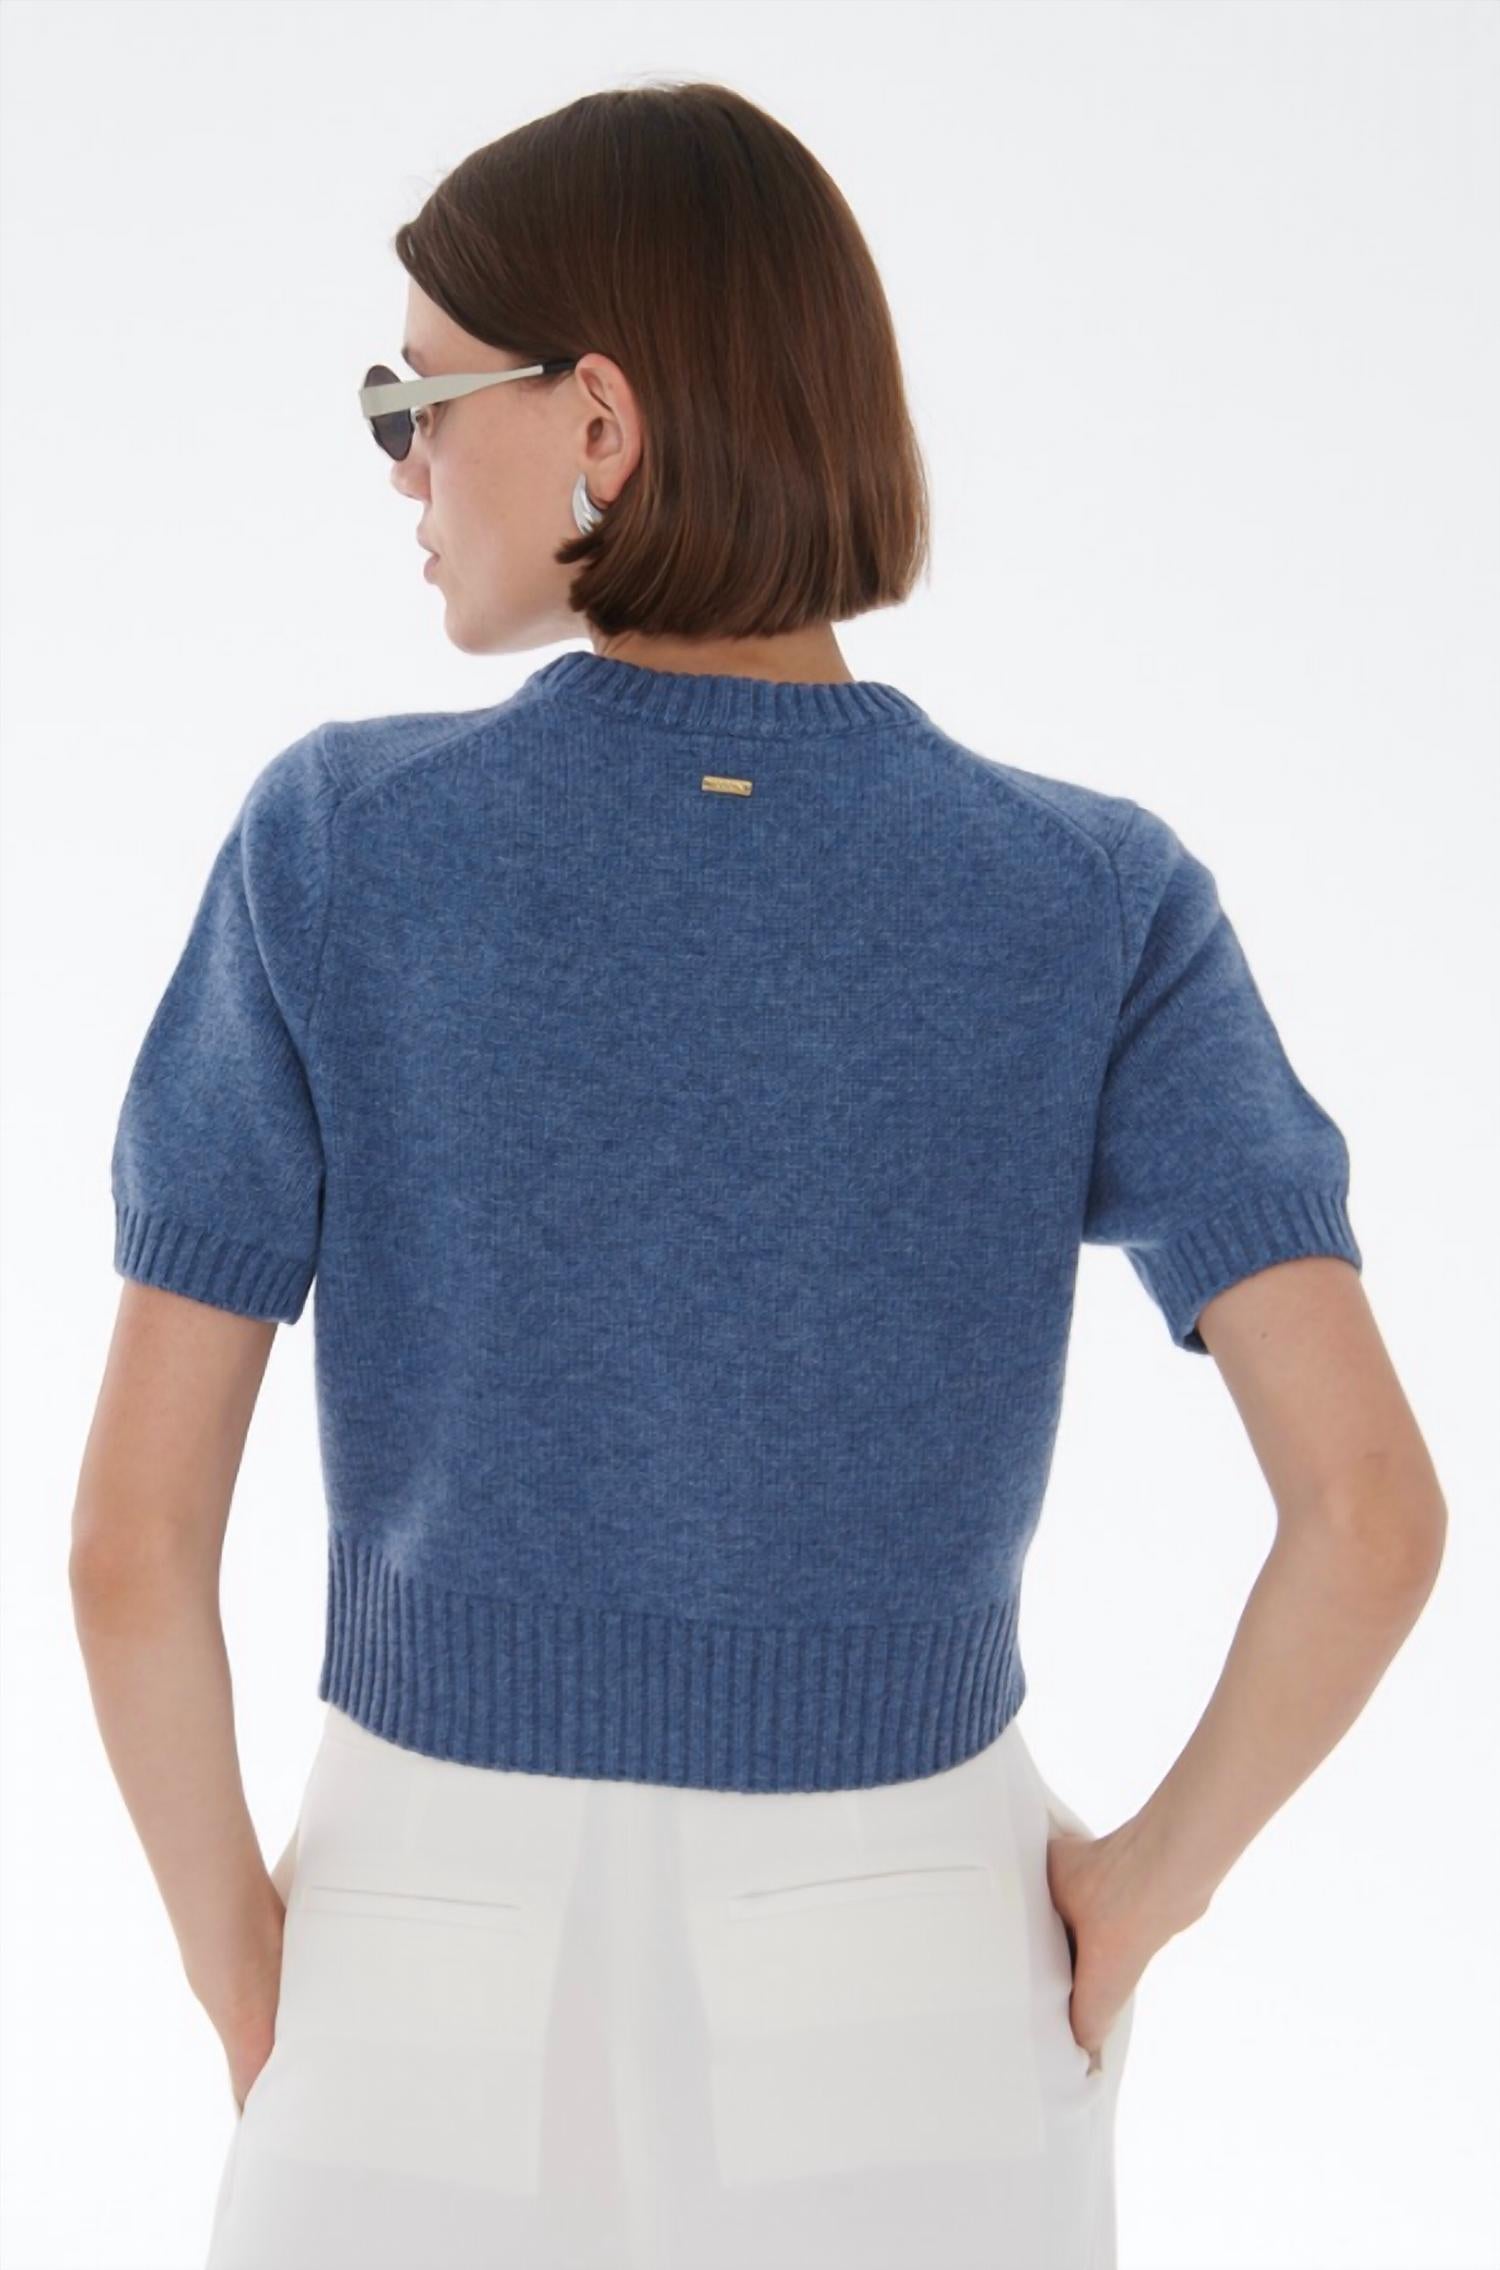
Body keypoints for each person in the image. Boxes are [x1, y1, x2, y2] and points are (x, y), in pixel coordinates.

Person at [69, 79, 1445, 2270]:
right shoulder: (1089, 897)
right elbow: (1369, 1517)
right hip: (917, 1972)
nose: (402, 466)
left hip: (425, 1954)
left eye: (417, 400)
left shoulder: (338, 847)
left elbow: (131, 1550)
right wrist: (1138, 1896)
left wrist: (250, 1981)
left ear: (599, 421)